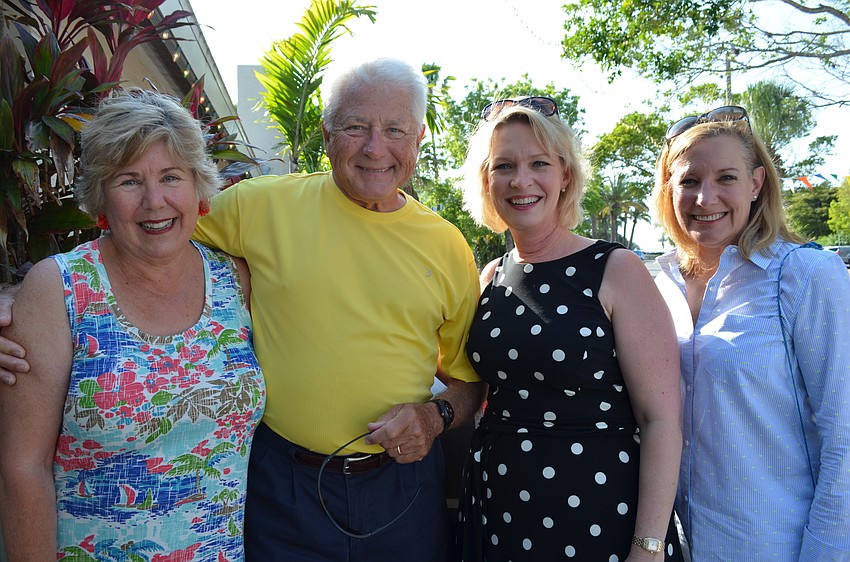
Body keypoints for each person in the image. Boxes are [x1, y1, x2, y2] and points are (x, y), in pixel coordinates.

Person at [0, 58, 484, 561]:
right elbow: (131, 250)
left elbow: (470, 379)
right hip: (281, 492)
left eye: (394, 129)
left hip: (399, 489)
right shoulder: (259, 206)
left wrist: (434, 416)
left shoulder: (446, 246)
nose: (374, 147)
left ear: (420, 138)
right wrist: (23, 301)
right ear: (326, 133)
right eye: (356, 126)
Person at [0, 89, 266, 561]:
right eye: (128, 181)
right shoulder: (59, 289)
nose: (154, 201)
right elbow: (24, 466)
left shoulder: (235, 280)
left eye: (171, 177)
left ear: (198, 187)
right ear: (101, 194)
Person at [454, 96, 684, 561]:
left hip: (598, 517)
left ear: (565, 175)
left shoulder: (615, 269)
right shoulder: (491, 275)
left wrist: (649, 545)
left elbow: (661, 420)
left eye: (539, 163)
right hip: (498, 509)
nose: (522, 181)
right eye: (504, 166)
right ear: (486, 182)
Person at [652, 105, 850, 560]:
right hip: (682, 546)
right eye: (688, 181)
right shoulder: (654, 284)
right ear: (669, 189)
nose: (706, 198)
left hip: (778, 545)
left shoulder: (805, 274)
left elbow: (843, 436)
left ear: (756, 183)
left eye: (726, 178)